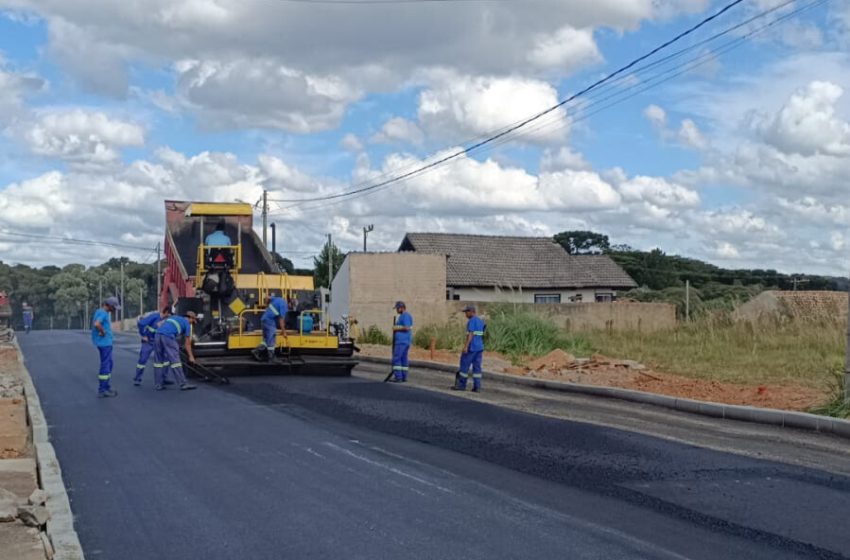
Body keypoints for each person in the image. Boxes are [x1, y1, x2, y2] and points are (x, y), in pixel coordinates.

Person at [152, 310, 198, 391]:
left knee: (158, 362)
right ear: (190, 318)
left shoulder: (174, 317)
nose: (192, 323)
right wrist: (191, 357)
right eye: (193, 321)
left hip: (157, 335)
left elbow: (158, 324)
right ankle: (183, 383)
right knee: (176, 361)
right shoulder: (187, 324)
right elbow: (187, 344)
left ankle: (158, 384)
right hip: (168, 337)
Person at [91, 297, 121, 398]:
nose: (114, 310)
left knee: (109, 364)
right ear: (109, 305)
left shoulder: (100, 312)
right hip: (104, 344)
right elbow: (97, 324)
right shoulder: (103, 313)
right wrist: (102, 331)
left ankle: (106, 386)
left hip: (105, 343)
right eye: (114, 307)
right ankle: (102, 389)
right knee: (106, 365)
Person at [134, 307, 171, 386]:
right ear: (166, 312)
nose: (169, 317)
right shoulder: (154, 316)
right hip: (148, 342)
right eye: (169, 315)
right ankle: (137, 378)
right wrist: (143, 335)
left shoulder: (166, 320)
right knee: (143, 359)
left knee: (166, 359)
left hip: (159, 342)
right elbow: (141, 323)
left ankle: (165, 378)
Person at [453, 305, 486, 392]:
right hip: (479, 347)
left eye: (466, 312)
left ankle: (461, 385)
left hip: (472, 347)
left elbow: (470, 334)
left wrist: (466, 346)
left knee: (464, 366)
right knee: (477, 368)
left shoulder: (471, 321)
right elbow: (481, 333)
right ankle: (477, 386)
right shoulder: (480, 321)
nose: (465, 314)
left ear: (471, 312)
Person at [253, 294, 288, 362]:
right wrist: (284, 332)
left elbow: (266, 297)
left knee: (266, 340)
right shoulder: (284, 306)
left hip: (264, 320)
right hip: (270, 321)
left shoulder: (278, 298)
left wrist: (267, 305)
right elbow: (281, 321)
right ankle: (271, 358)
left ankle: (256, 351)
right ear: (289, 304)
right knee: (271, 339)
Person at [391, 301, 413, 383]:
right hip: (405, 341)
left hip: (401, 341)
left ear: (401, 308)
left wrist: (396, 328)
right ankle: (404, 376)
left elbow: (406, 328)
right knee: (403, 359)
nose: (396, 310)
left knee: (396, 358)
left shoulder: (405, 316)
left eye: (397, 308)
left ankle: (398, 377)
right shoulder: (402, 316)